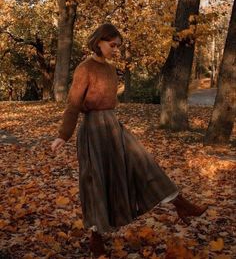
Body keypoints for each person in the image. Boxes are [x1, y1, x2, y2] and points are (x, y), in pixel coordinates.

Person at [51, 23, 207, 257]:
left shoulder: (111, 69)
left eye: (117, 47)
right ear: (98, 41)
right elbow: (73, 104)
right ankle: (96, 238)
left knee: (144, 163)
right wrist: (63, 135)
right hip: (93, 131)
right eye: (112, 45)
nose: (115, 50)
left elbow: (109, 99)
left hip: (114, 127)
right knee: (96, 182)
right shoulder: (85, 68)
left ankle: (181, 204)